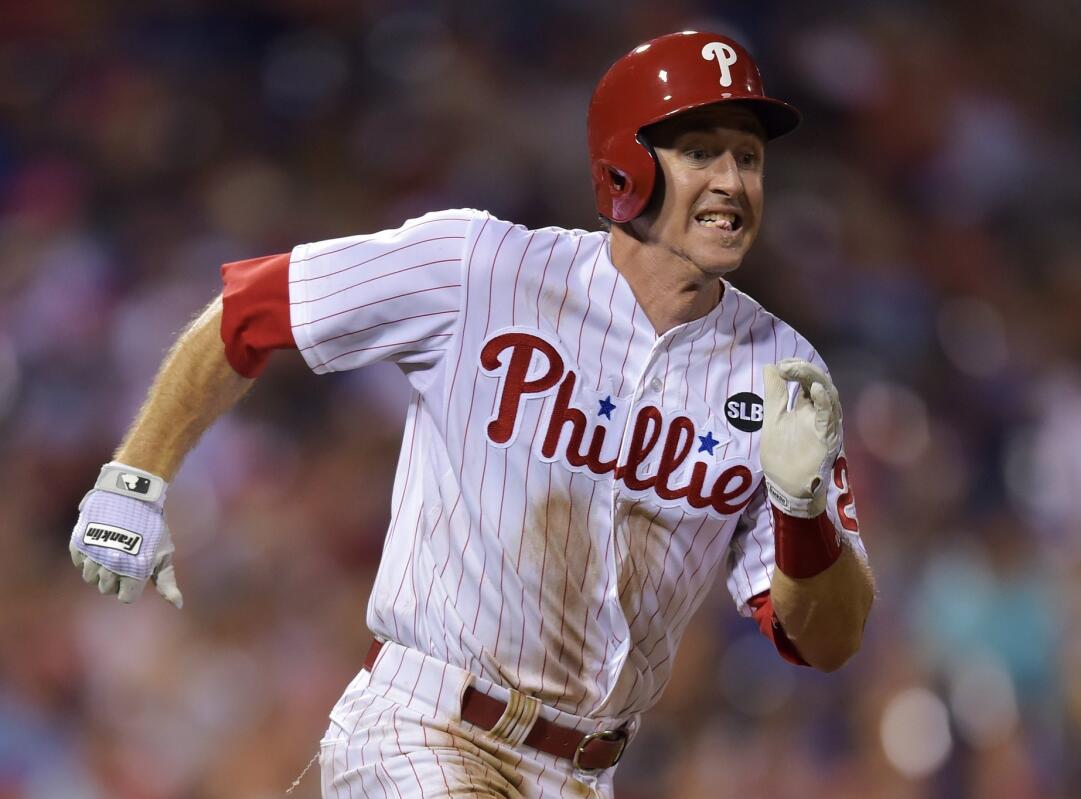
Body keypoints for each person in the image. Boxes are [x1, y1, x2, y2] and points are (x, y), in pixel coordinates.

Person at [68, 30, 875, 798]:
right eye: (701, 152)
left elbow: (825, 638)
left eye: (749, 156)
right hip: (423, 726)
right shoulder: (481, 267)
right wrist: (133, 477)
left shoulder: (784, 373)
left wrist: (805, 515)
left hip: (585, 770)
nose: (733, 181)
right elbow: (252, 310)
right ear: (625, 166)